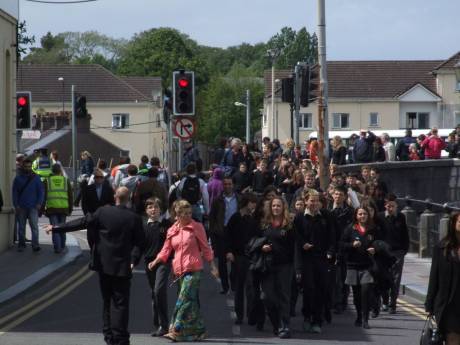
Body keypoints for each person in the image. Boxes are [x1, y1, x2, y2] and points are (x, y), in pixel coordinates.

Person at [45, 187, 145, 345]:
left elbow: (81, 222)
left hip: (103, 265)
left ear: (114, 197)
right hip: (122, 266)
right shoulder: (134, 217)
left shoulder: (102, 213)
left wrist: (57, 228)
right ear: (129, 198)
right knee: (120, 304)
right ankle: (121, 338)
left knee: (107, 301)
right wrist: (134, 259)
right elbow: (140, 243)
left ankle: (109, 336)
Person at [148, 200, 218, 342]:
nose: (188, 216)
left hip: (194, 270)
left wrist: (212, 266)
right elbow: (166, 250)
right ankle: (200, 330)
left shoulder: (197, 227)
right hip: (179, 271)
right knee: (191, 302)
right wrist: (155, 261)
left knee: (183, 300)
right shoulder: (172, 230)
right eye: (184, 214)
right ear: (177, 214)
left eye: (189, 213)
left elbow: (205, 247)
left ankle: (175, 330)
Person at [294, 191, 335, 334]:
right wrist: (303, 244)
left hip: (322, 258)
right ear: (306, 201)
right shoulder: (299, 218)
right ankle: (307, 316)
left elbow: (331, 236)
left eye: (317, 201)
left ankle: (317, 320)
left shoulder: (326, 216)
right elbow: (295, 237)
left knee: (321, 289)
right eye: (312, 201)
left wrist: (330, 251)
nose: (314, 203)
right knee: (309, 289)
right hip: (306, 259)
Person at [258, 196, 295, 338]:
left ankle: (284, 326)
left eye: (278, 206)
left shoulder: (289, 225)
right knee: (267, 296)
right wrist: (263, 247)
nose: (276, 208)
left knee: (284, 296)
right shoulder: (265, 224)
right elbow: (257, 241)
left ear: (283, 208)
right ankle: (275, 323)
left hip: (285, 265)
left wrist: (296, 268)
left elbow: (294, 247)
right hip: (267, 265)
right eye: (274, 206)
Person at [136, 197, 171, 337]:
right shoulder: (144, 227)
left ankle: (164, 325)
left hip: (163, 262)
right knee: (154, 293)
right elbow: (138, 247)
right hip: (149, 263)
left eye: (156, 207)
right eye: (150, 207)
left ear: (160, 209)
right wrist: (133, 260)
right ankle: (158, 325)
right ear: (146, 211)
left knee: (158, 290)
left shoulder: (166, 224)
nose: (153, 210)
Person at [425, 212, 460, 345]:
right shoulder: (441, 248)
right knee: (453, 338)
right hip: (448, 304)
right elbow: (434, 276)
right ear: (453, 224)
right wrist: (429, 303)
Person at [225, 193, 259, 325]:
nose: (254, 205)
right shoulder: (235, 218)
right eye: (252, 202)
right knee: (239, 287)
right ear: (246, 203)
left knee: (251, 287)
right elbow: (228, 236)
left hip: (251, 257)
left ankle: (251, 315)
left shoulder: (253, 219)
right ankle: (239, 315)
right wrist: (228, 252)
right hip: (238, 256)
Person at [341, 206, 377, 329]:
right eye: (360, 214)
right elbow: (341, 244)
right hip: (352, 266)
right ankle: (359, 316)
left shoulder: (373, 229)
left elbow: (381, 243)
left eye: (365, 214)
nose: (362, 216)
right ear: (356, 216)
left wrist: (375, 249)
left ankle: (366, 319)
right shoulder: (350, 229)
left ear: (368, 215)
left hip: (367, 266)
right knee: (356, 295)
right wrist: (352, 245)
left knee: (365, 291)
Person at [378, 193, 409, 314]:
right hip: (383, 253)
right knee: (384, 278)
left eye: (392, 206)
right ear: (385, 205)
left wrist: (404, 251)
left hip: (398, 252)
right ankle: (385, 300)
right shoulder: (380, 217)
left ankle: (393, 304)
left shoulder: (401, 217)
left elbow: (405, 235)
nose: (390, 208)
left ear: (396, 206)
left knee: (395, 279)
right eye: (388, 205)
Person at [209, 177, 239, 294]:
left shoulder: (238, 198)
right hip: (222, 232)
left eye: (229, 184)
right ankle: (225, 286)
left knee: (236, 260)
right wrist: (213, 235)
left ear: (233, 185)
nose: (227, 186)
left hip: (235, 232)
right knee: (222, 261)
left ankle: (234, 281)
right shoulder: (218, 200)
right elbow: (212, 218)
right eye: (225, 184)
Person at [12, 158, 45, 252]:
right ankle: (21, 245)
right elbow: (15, 193)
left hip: (33, 207)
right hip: (21, 207)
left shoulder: (36, 178)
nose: (28, 168)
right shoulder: (18, 179)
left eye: (29, 166)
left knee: (34, 227)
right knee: (21, 228)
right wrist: (16, 204)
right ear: (22, 167)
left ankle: (35, 245)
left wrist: (39, 203)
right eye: (26, 167)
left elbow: (41, 192)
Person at [43, 164, 73, 253]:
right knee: (62, 228)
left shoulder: (47, 181)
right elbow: (70, 196)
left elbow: (43, 197)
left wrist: (41, 209)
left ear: (52, 171)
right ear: (60, 171)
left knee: (55, 228)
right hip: (63, 209)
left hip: (52, 209)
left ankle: (57, 248)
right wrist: (70, 209)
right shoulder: (65, 180)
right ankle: (63, 246)